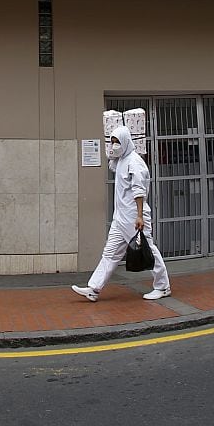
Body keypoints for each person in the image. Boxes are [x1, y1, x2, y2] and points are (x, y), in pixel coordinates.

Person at [72, 124, 171, 302]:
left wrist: (139, 215)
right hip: (120, 218)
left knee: (148, 251)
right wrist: (111, 153)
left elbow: (139, 191)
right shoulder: (122, 160)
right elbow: (113, 166)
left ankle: (163, 287)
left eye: (117, 142)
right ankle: (93, 289)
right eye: (112, 142)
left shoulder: (135, 162)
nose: (114, 146)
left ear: (125, 142)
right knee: (110, 253)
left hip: (134, 218)